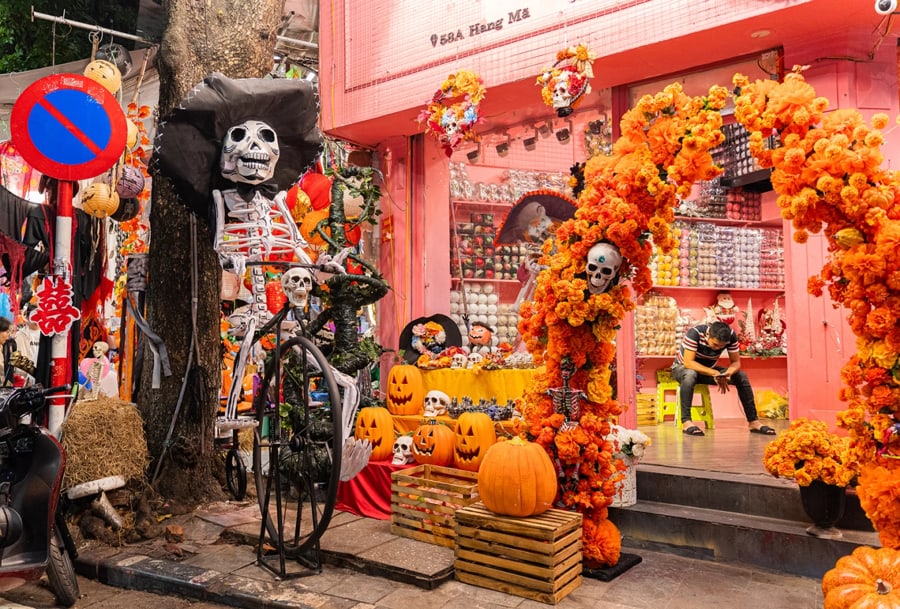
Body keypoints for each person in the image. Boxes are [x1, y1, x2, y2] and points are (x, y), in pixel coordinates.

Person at [671, 320, 776, 437]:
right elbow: (688, 363)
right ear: (707, 335)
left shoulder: (731, 336)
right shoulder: (695, 333)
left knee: (741, 376)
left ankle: (753, 422)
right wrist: (714, 373)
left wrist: (727, 374)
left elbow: (736, 362)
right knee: (690, 374)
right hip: (681, 369)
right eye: (715, 344)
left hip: (708, 371)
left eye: (721, 347)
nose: (717, 348)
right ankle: (686, 422)